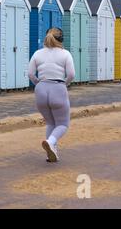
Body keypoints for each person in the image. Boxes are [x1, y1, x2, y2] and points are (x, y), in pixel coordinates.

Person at [28, 28, 75, 163]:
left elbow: (31, 74)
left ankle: (51, 154)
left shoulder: (37, 54)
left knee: (50, 122)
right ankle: (51, 141)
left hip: (41, 89)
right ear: (61, 40)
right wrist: (64, 84)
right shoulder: (65, 54)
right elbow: (71, 74)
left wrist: (38, 84)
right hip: (58, 88)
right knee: (63, 124)